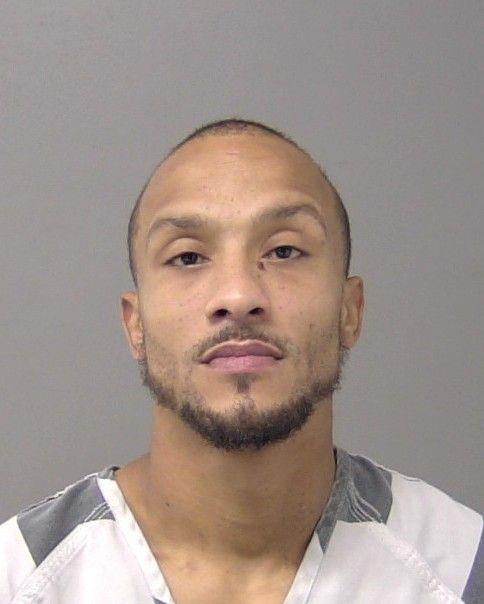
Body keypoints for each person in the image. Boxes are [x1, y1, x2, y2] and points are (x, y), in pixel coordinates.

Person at [0, 119, 481, 603]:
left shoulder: (460, 570)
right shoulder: (20, 578)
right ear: (135, 324)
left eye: (285, 250)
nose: (238, 295)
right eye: (188, 257)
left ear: (349, 310)